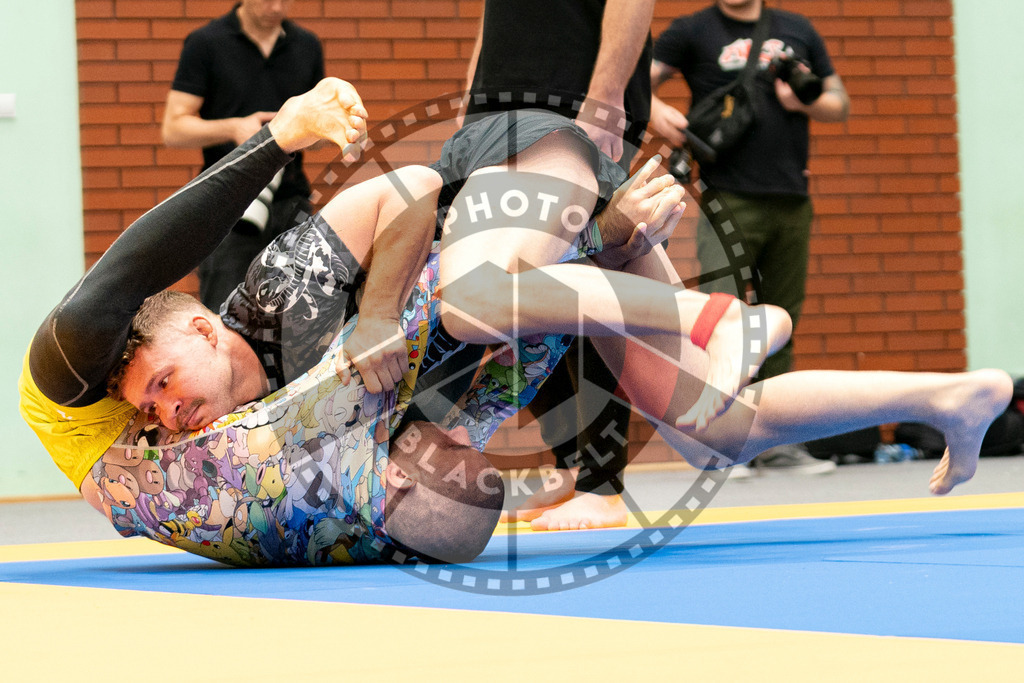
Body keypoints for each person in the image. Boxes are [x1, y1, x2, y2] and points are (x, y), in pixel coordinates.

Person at [458, 0, 657, 532]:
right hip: (499, 103)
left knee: (585, 275)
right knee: (515, 290)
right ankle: (569, 461)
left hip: (576, 96)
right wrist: (472, 100)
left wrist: (607, 94)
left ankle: (602, 481)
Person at [649, 0, 851, 475]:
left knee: (783, 318)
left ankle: (779, 444)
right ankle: (720, 437)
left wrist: (801, 100)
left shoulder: (797, 28)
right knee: (721, 319)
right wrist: (655, 110)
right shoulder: (692, 30)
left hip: (790, 196)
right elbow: (632, 78)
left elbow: (838, 104)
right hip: (725, 197)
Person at [162, 0, 325, 310]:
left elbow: (316, 131)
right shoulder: (205, 43)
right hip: (227, 203)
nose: (277, 7)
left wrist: (322, 130)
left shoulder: (307, 45)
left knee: (298, 320)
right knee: (224, 316)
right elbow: (174, 128)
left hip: (290, 201)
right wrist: (235, 128)